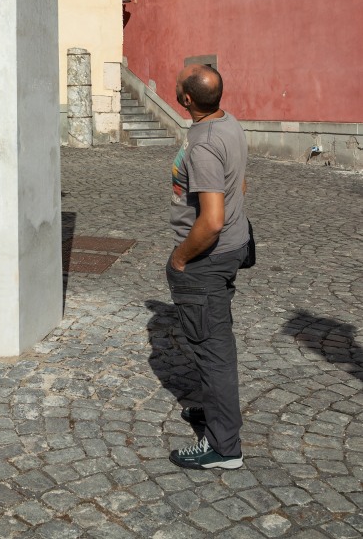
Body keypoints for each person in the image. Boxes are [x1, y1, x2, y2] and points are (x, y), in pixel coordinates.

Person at [166, 64, 249, 470]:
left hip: (206, 259)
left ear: (186, 99)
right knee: (215, 338)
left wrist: (181, 258)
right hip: (231, 249)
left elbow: (212, 220)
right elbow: (240, 184)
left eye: (179, 81)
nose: (176, 80)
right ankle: (217, 411)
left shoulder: (204, 145)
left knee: (212, 349)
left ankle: (223, 446)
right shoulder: (228, 123)